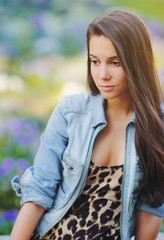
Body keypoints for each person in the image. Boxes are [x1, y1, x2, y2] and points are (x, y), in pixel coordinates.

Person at [10, 9, 164, 240]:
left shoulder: (157, 126)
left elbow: (152, 206)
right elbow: (40, 190)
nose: (102, 74)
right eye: (94, 61)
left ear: (137, 63)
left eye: (115, 63)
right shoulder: (71, 112)